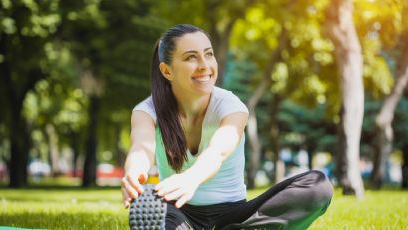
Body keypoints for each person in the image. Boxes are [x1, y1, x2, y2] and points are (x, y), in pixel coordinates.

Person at [121, 24, 333, 230]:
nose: (204, 65)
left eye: (208, 54)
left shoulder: (231, 106)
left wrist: (191, 178)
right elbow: (141, 147)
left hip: (233, 214)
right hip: (177, 210)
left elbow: (218, 151)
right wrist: (134, 173)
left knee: (318, 186)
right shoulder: (147, 111)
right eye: (191, 57)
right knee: (151, 208)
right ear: (167, 71)